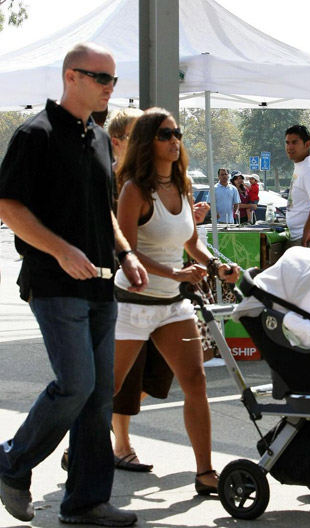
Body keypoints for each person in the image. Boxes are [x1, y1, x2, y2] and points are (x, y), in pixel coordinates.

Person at [0, 42, 148, 527]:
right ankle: (11, 462)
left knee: (98, 395)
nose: (110, 87)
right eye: (100, 78)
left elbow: (104, 210)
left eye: (113, 80)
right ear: (71, 78)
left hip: (102, 287)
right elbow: (9, 207)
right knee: (77, 384)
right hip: (53, 283)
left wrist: (126, 253)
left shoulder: (101, 139)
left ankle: (86, 502)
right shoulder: (34, 134)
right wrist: (61, 249)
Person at [113, 107, 240, 495]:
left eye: (177, 134)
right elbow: (128, 250)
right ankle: (78, 446)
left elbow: (190, 240)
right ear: (147, 141)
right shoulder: (134, 189)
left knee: (196, 381)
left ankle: (205, 473)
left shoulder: (183, 185)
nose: (174, 141)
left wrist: (216, 264)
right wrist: (178, 274)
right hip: (132, 304)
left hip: (172, 304)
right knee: (110, 386)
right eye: (165, 134)